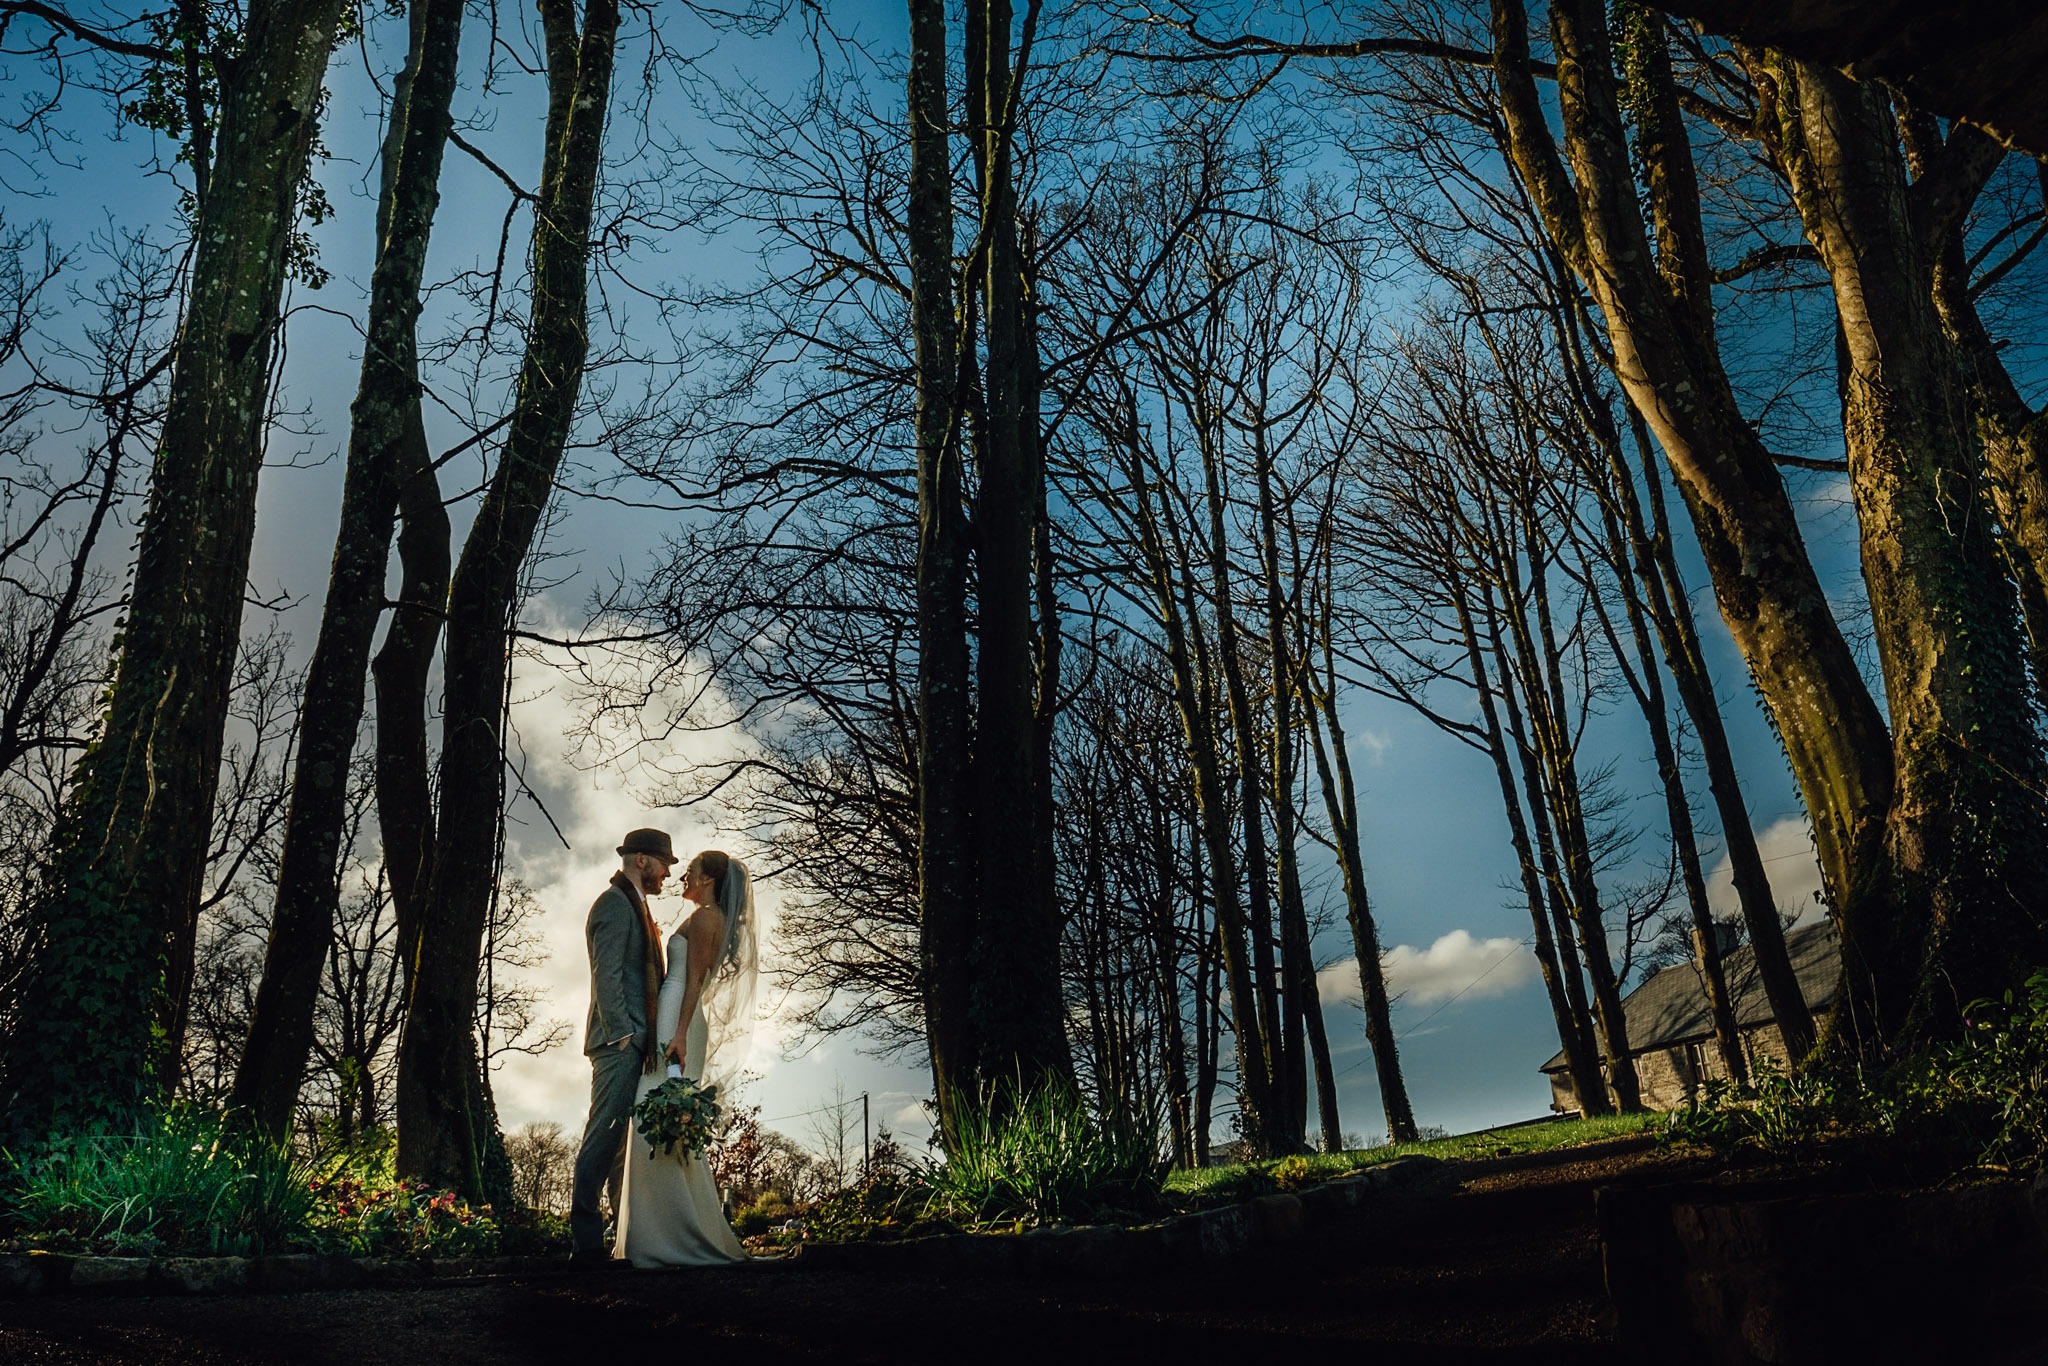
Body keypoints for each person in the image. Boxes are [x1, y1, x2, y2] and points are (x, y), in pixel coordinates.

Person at [615, 848, 756, 1267]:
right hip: (674, 1014)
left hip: (680, 1021)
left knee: (655, 1119)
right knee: (663, 1121)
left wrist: (678, 1035)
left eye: (690, 871)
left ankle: (672, 1235)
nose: (683, 878)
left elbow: (695, 979)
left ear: (709, 879)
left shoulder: (708, 917)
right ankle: (661, 1232)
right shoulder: (701, 917)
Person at [568, 828, 675, 1265]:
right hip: (618, 1043)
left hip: (634, 1043)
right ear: (641, 861)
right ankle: (586, 1244)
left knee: (621, 1147)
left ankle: (617, 1239)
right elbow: (606, 974)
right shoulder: (613, 905)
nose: (669, 872)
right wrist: (624, 1034)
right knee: (603, 1137)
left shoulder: (637, 906)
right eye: (664, 863)